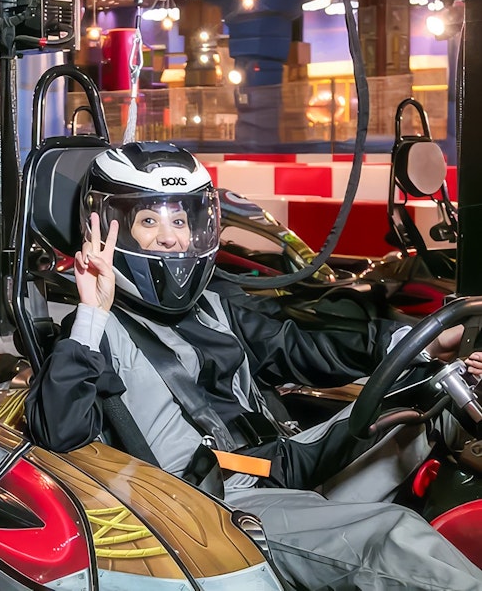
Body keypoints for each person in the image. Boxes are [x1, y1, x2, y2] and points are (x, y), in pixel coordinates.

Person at [25, 142, 482, 590]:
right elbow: (60, 431)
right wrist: (91, 311)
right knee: (390, 535)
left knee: (437, 392)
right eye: (150, 220)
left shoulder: (217, 308)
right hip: (216, 509)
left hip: (284, 464)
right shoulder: (94, 333)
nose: (171, 236)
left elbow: (306, 349)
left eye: (181, 219)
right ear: (108, 231)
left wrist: (424, 343)